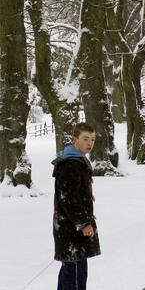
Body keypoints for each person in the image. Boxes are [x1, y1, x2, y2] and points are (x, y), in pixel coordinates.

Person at [52, 122, 101, 290]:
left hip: (75, 230)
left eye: (93, 139)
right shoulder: (70, 164)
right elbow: (68, 198)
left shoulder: (78, 162)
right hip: (70, 229)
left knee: (79, 270)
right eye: (85, 139)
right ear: (74, 140)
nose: (90, 143)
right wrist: (84, 223)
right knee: (72, 273)